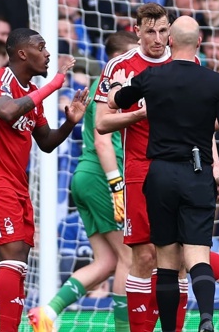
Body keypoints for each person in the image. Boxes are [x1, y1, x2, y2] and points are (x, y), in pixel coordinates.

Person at [94, 3, 219, 332]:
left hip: (186, 165)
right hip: (139, 167)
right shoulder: (120, 66)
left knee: (175, 259)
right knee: (145, 256)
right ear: (137, 32)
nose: (158, 38)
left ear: (173, 34)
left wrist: (215, 166)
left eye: (163, 30)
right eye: (150, 31)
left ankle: (187, 322)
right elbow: (103, 123)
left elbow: (206, 126)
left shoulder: (190, 64)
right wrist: (140, 118)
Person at [0, 27, 88, 332]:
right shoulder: (0, 80)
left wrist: (70, 123)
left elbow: (45, 141)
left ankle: (12, 326)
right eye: (41, 47)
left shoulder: (30, 93)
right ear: (22, 53)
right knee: (13, 253)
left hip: (16, 183)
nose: (48, 54)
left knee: (19, 260)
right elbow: (6, 111)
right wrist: (55, 84)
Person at [28, 31, 139, 332]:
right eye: (132, 54)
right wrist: (116, 184)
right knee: (130, 256)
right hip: (104, 175)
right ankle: (123, 329)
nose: (137, 60)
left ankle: (48, 312)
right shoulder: (116, 86)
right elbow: (106, 142)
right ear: (119, 58)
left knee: (107, 261)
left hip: (86, 175)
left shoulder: (100, 86)